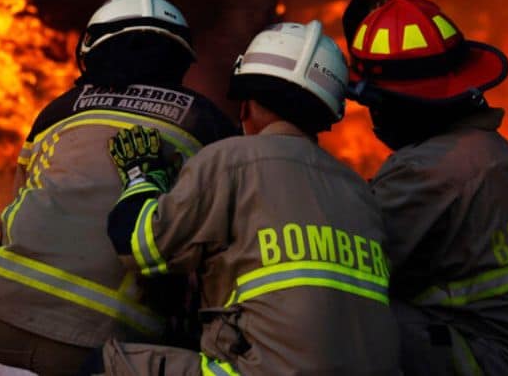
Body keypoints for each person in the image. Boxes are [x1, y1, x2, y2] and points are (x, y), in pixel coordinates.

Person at [0, 0, 236, 376]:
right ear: (181, 59)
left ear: (90, 51)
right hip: (118, 348)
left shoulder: (57, 113)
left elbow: (17, 212)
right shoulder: (209, 125)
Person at [101, 20, 403, 376]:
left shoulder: (230, 160)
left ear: (246, 105)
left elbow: (141, 247)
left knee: (105, 363)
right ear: (326, 116)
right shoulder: (361, 191)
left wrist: (142, 176)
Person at [341, 0, 508, 375]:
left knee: (339, 315)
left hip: (489, 363)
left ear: (400, 105)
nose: (373, 115)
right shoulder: (488, 150)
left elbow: (347, 258)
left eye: (375, 103)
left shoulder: (430, 171)